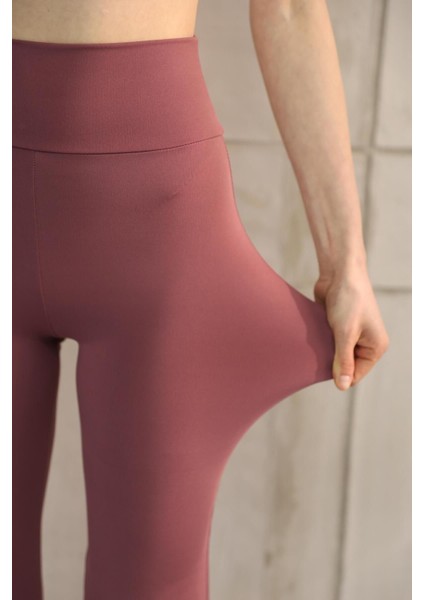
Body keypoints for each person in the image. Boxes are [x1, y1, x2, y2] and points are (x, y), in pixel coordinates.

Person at [12, 1, 390, 599]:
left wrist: (346, 264)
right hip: (154, 212)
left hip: (159, 240)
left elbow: (289, 7)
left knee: (151, 585)